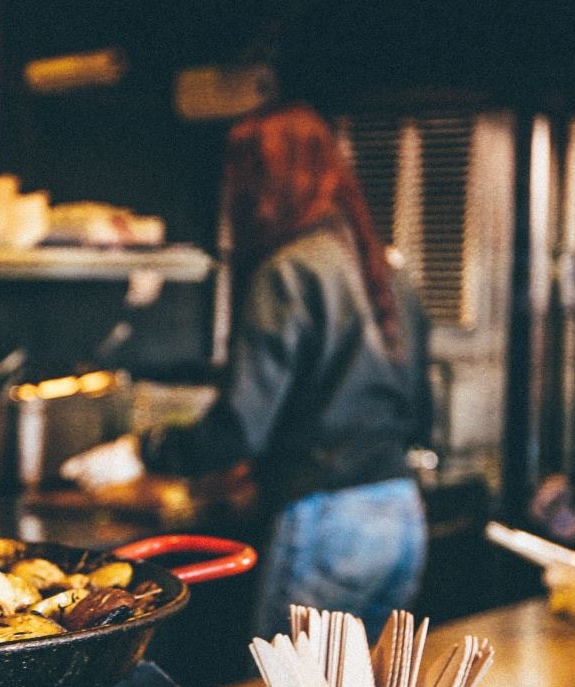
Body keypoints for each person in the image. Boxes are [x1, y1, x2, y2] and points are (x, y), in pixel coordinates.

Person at [144, 103, 431, 639]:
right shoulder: (383, 264)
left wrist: (147, 451)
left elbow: (240, 428)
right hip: (400, 514)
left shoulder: (288, 269)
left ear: (266, 185)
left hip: (328, 521)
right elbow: (418, 407)